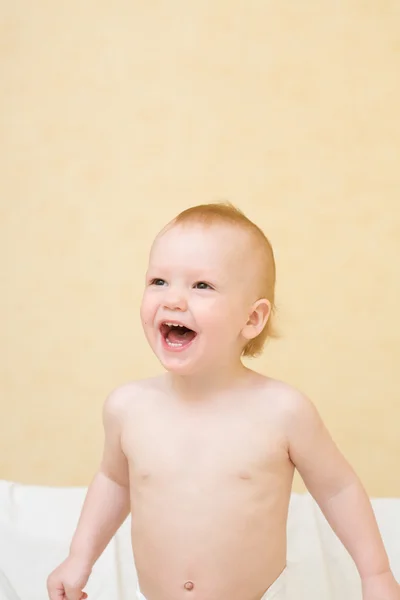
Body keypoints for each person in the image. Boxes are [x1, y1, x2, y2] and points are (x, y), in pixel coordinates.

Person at [47, 203, 399, 600]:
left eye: (202, 286)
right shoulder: (127, 408)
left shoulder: (283, 411)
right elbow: (113, 481)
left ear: (252, 319)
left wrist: (376, 574)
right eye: (159, 281)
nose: (173, 300)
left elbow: (338, 489)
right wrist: (79, 558)